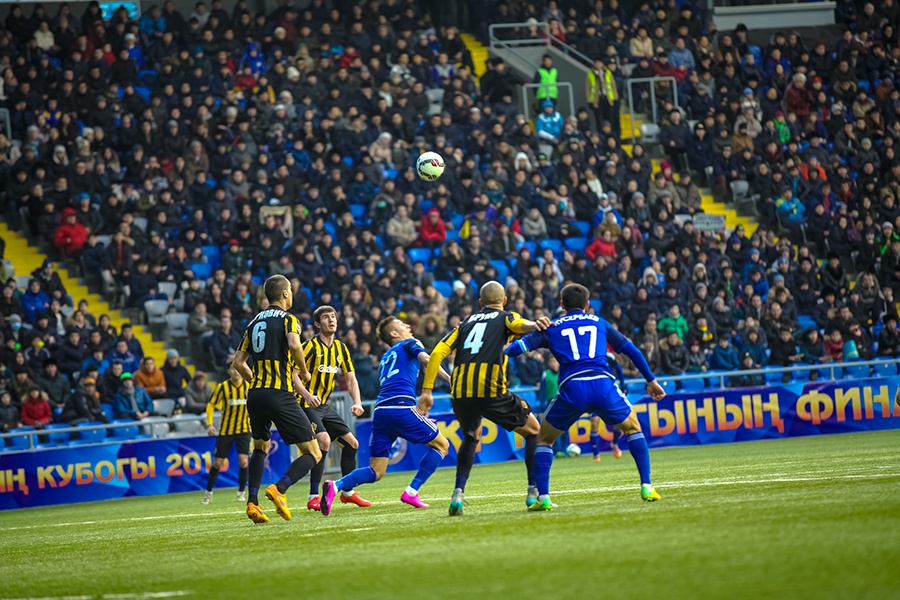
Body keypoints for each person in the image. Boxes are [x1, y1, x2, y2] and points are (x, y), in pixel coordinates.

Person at [505, 283, 666, 510]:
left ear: (562, 305)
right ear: (587, 305)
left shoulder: (551, 327)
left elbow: (513, 351)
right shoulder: (599, 322)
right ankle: (647, 486)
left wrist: (522, 332)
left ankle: (544, 498)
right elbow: (632, 351)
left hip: (573, 388)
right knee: (633, 429)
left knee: (544, 440)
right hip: (603, 385)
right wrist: (651, 380)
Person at [420, 280, 551, 516]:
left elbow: (437, 352)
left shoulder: (464, 323)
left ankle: (458, 495)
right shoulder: (506, 316)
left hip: (460, 393)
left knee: (471, 437)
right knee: (534, 431)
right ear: (505, 301)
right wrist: (535, 324)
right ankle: (533, 492)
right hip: (490, 390)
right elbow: (519, 324)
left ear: (480, 302)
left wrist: (427, 391)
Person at [320, 316, 452, 515]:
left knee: (376, 471)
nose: (408, 325)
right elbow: (428, 360)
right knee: (442, 445)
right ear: (394, 333)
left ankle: (336, 485)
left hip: (381, 411)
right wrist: (450, 378)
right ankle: (412, 491)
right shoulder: (410, 343)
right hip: (400, 408)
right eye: (401, 324)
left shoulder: (386, 358)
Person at [232, 274, 322, 524]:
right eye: (290, 290)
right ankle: (279, 489)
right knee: (313, 452)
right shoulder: (288, 319)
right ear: (284, 293)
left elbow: (237, 362)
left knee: (259, 448)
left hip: (256, 395)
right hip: (280, 393)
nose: (291, 293)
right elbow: (294, 344)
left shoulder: (253, 322)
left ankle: (252, 503)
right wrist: (304, 370)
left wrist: (256, 382)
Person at [301, 305, 370, 511]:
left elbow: (351, 378)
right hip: (304, 404)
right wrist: (307, 395)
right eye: (326, 317)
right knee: (323, 441)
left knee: (352, 444)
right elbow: (293, 374)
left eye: (333, 316)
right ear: (317, 324)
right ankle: (313, 496)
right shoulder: (309, 347)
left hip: (324, 406)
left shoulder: (341, 348)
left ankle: (347, 493)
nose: (331, 320)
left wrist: (357, 402)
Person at [203, 362, 250, 505]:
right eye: (232, 369)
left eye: (237, 369)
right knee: (217, 463)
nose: (236, 372)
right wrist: (210, 423)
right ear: (228, 371)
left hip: (244, 430)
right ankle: (208, 492)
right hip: (226, 431)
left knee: (243, 461)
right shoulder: (222, 387)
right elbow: (211, 404)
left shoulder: (249, 386)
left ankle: (241, 492)